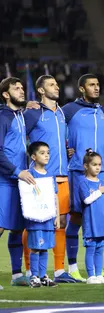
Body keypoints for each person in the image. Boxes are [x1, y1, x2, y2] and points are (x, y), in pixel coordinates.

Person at [23, 75, 76, 283]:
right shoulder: (34, 112)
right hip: (41, 178)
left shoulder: (62, 112)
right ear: (41, 91)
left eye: (57, 84)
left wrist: (65, 150)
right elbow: (18, 133)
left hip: (62, 175)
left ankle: (59, 270)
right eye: (51, 85)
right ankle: (29, 270)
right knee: (35, 223)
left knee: (61, 222)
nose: (57, 87)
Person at [62, 74, 104, 282]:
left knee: (97, 217)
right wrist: (64, 149)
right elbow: (53, 131)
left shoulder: (100, 110)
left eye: (98, 84)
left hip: (99, 173)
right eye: (92, 85)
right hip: (77, 171)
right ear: (81, 89)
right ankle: (72, 266)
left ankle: (97, 270)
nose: (96, 88)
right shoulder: (70, 110)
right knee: (76, 217)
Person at [0, 77, 35, 288]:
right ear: (5, 94)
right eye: (17, 88)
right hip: (4, 180)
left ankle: (16, 275)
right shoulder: (3, 117)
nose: (22, 91)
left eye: (22, 88)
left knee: (17, 228)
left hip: (19, 181)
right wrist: (15, 171)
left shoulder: (20, 116)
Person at [24, 141, 59, 288]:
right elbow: (26, 195)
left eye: (48, 153)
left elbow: (54, 195)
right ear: (33, 156)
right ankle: (34, 276)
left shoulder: (51, 175)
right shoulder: (29, 174)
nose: (46, 156)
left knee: (46, 247)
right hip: (35, 218)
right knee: (35, 247)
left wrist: (56, 215)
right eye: (42, 153)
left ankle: (43, 275)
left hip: (48, 217)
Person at [78, 149, 104, 284]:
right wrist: (99, 191)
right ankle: (91, 276)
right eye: (94, 164)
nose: (98, 167)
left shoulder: (103, 182)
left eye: (99, 164)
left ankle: (99, 274)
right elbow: (86, 200)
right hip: (91, 223)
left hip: (102, 223)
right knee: (91, 248)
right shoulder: (83, 183)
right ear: (86, 166)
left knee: (100, 249)